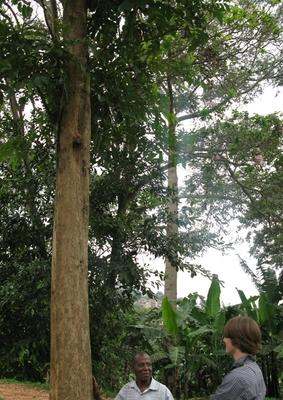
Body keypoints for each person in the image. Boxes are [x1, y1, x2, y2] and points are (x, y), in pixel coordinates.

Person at [210, 315, 266, 400]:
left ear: (237, 340)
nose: (224, 340)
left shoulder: (238, 378)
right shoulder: (255, 368)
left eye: (226, 336)